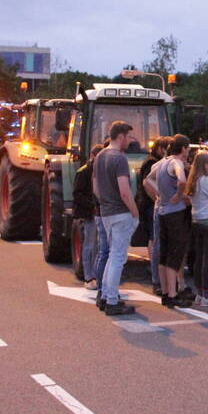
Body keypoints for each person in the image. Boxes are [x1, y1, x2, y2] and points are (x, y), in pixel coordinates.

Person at [93, 121, 141, 316]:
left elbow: (95, 188)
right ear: (121, 136)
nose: (131, 141)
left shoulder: (100, 156)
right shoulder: (119, 159)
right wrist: (135, 211)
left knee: (112, 254)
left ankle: (104, 295)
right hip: (121, 213)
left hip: (106, 212)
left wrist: (105, 203)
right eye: (129, 137)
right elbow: (124, 191)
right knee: (118, 258)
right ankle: (112, 300)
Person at [149, 134, 192, 307]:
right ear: (183, 149)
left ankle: (166, 292)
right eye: (188, 149)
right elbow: (181, 179)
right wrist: (179, 194)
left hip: (162, 211)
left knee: (164, 254)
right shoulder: (176, 163)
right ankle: (173, 294)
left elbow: (148, 179)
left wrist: (159, 193)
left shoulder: (161, 163)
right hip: (175, 213)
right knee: (175, 254)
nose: (188, 152)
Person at [185, 150, 208, 307]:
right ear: (205, 164)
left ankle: (200, 293)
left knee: (199, 257)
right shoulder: (206, 181)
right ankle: (206, 294)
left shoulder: (193, 180)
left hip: (196, 220)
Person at [139, 136, 170, 294]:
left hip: (154, 205)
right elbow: (147, 184)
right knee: (154, 240)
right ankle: (155, 273)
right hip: (151, 206)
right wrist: (158, 200)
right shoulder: (152, 163)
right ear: (160, 149)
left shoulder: (154, 162)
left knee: (156, 239)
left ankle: (160, 274)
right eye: (167, 148)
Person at [73, 143, 104, 288]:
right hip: (89, 213)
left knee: (98, 245)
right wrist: (92, 205)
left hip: (99, 212)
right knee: (89, 244)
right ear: (92, 156)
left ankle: (96, 275)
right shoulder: (83, 172)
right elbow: (77, 194)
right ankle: (88, 276)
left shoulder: (99, 171)